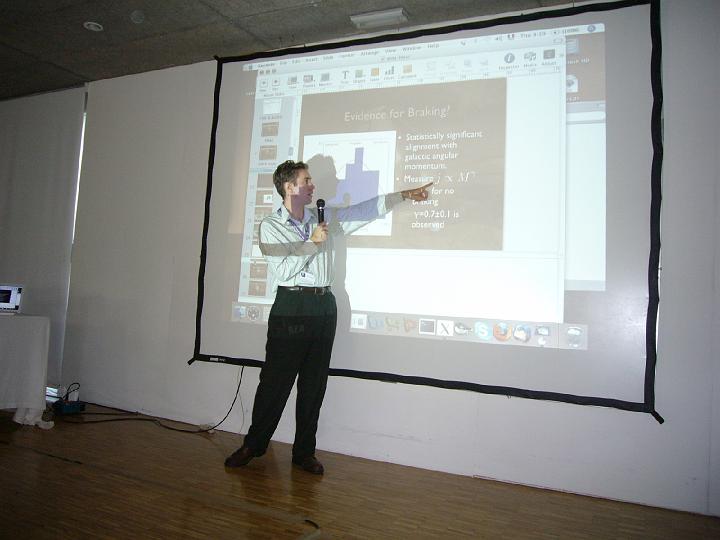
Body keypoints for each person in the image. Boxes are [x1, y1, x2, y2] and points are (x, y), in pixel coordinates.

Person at [225, 159, 431, 474]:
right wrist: (312, 243)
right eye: (306, 180)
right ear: (289, 187)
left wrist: (402, 195)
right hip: (292, 306)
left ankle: (304, 452)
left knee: (314, 385)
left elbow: (362, 211)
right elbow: (282, 271)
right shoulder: (270, 226)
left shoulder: (323, 218)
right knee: (275, 383)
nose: (313, 185)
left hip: (324, 306)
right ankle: (254, 444)